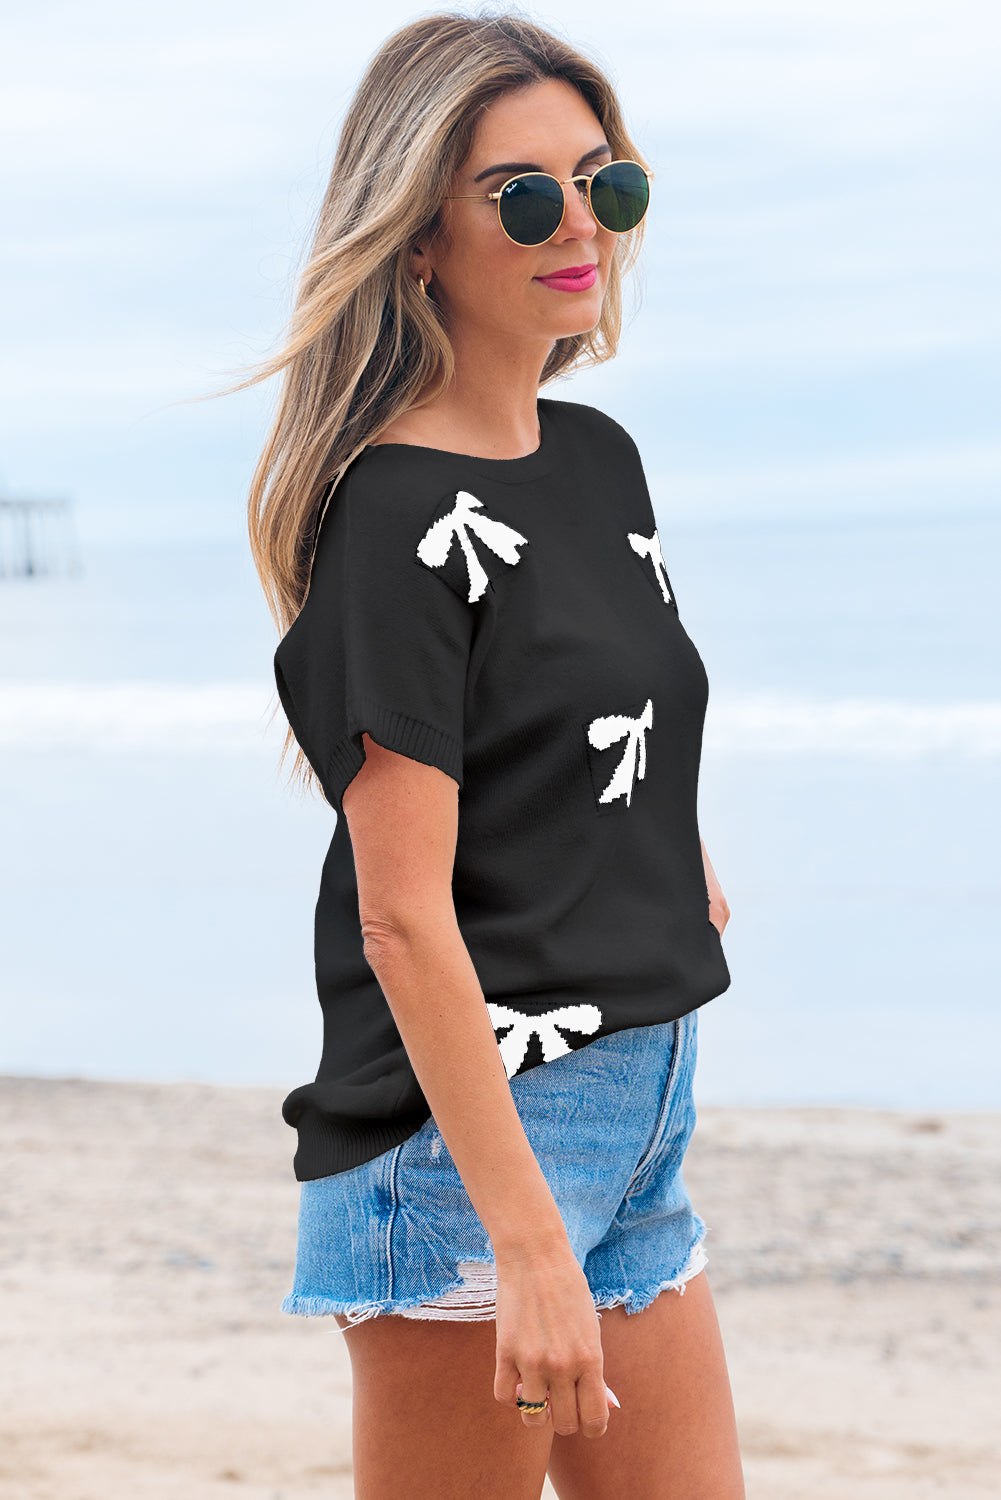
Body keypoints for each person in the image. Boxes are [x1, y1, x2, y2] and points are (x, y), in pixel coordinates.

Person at [243, 10, 745, 1498]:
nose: (579, 224)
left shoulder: (598, 461)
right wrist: (520, 1239)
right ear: (417, 242)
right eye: (523, 196)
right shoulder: (394, 516)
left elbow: (586, 700)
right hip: (468, 1146)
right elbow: (400, 915)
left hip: (643, 1099)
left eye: (604, 182)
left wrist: (668, 862)